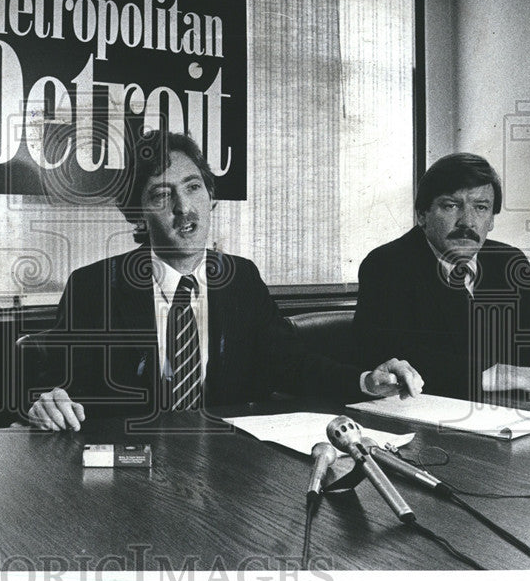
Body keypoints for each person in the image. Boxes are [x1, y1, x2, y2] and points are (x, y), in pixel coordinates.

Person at [26, 131, 423, 431]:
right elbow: (52, 385)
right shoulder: (95, 287)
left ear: (211, 196)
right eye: (162, 195)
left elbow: (293, 365)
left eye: (194, 187)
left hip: (225, 468)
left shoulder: (241, 279)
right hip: (130, 471)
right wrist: (44, 402)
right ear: (136, 214)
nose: (184, 209)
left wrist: (365, 381)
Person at [353, 152, 530, 399]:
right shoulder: (387, 264)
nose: (468, 222)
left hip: (509, 409)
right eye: (451, 206)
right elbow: (393, 358)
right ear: (422, 214)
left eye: (481, 207)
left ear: (492, 220)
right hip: (427, 415)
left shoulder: (508, 259)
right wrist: (509, 374)